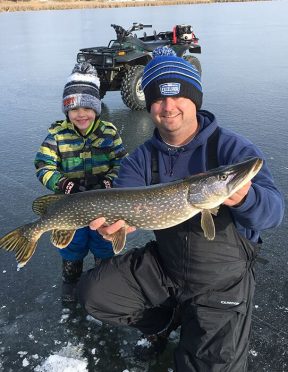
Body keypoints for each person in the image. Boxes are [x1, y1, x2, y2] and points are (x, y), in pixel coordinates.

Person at [77, 47, 284, 371]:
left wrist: (245, 197)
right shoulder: (141, 159)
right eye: (158, 97)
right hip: (168, 264)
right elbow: (122, 201)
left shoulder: (233, 148)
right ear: (149, 104)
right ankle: (164, 320)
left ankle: (192, 317)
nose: (168, 106)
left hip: (223, 279)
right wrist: (114, 225)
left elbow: (273, 215)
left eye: (178, 95)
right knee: (95, 292)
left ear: (195, 98)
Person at [34, 62, 127, 303]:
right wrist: (65, 184)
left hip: (106, 206)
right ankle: (71, 280)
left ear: (96, 107)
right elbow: (43, 166)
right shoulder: (56, 135)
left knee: (104, 243)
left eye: (87, 106)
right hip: (69, 206)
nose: (81, 113)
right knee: (71, 246)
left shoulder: (109, 132)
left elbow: (122, 163)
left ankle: (103, 280)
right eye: (74, 108)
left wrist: (109, 181)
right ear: (67, 111)